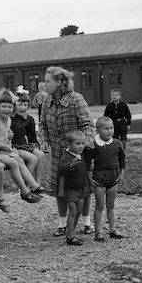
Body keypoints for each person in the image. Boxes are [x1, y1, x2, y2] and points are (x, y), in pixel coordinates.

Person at [38, 66, 96, 237]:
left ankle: (86, 223)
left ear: (60, 82)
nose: (44, 84)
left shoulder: (76, 99)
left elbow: (88, 125)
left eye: (48, 81)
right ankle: (63, 223)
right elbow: (42, 126)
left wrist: (82, 146)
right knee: (59, 189)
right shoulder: (46, 101)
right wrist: (44, 140)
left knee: (82, 189)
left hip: (77, 154)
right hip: (57, 153)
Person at [0, 91, 43, 203]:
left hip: (5, 150)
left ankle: (33, 186)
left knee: (19, 160)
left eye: (9, 107)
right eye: (3, 107)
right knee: (13, 163)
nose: (7, 109)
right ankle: (25, 191)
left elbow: (6, 138)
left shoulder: (8, 120)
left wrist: (10, 145)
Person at [89, 116, 126, 241]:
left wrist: (122, 173)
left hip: (113, 177)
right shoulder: (94, 145)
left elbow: (122, 159)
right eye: (106, 128)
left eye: (111, 128)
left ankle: (113, 229)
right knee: (99, 205)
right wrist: (89, 177)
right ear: (98, 130)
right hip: (99, 177)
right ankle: (98, 232)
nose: (110, 131)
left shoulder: (117, 143)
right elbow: (87, 161)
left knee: (111, 205)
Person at [58, 130, 91, 246]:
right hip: (70, 189)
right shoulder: (66, 156)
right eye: (78, 144)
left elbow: (84, 171)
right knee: (72, 211)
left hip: (81, 188)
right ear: (69, 145)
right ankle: (70, 237)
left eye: (83, 143)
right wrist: (70, 165)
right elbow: (61, 171)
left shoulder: (81, 155)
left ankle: (72, 232)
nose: (81, 146)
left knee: (79, 211)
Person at [11, 92, 45, 185]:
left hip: (24, 145)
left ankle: (37, 183)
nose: (22, 107)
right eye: (20, 104)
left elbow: (32, 137)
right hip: (14, 146)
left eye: (25, 105)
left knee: (40, 155)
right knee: (33, 159)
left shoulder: (29, 119)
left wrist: (36, 146)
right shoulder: (11, 118)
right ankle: (28, 186)